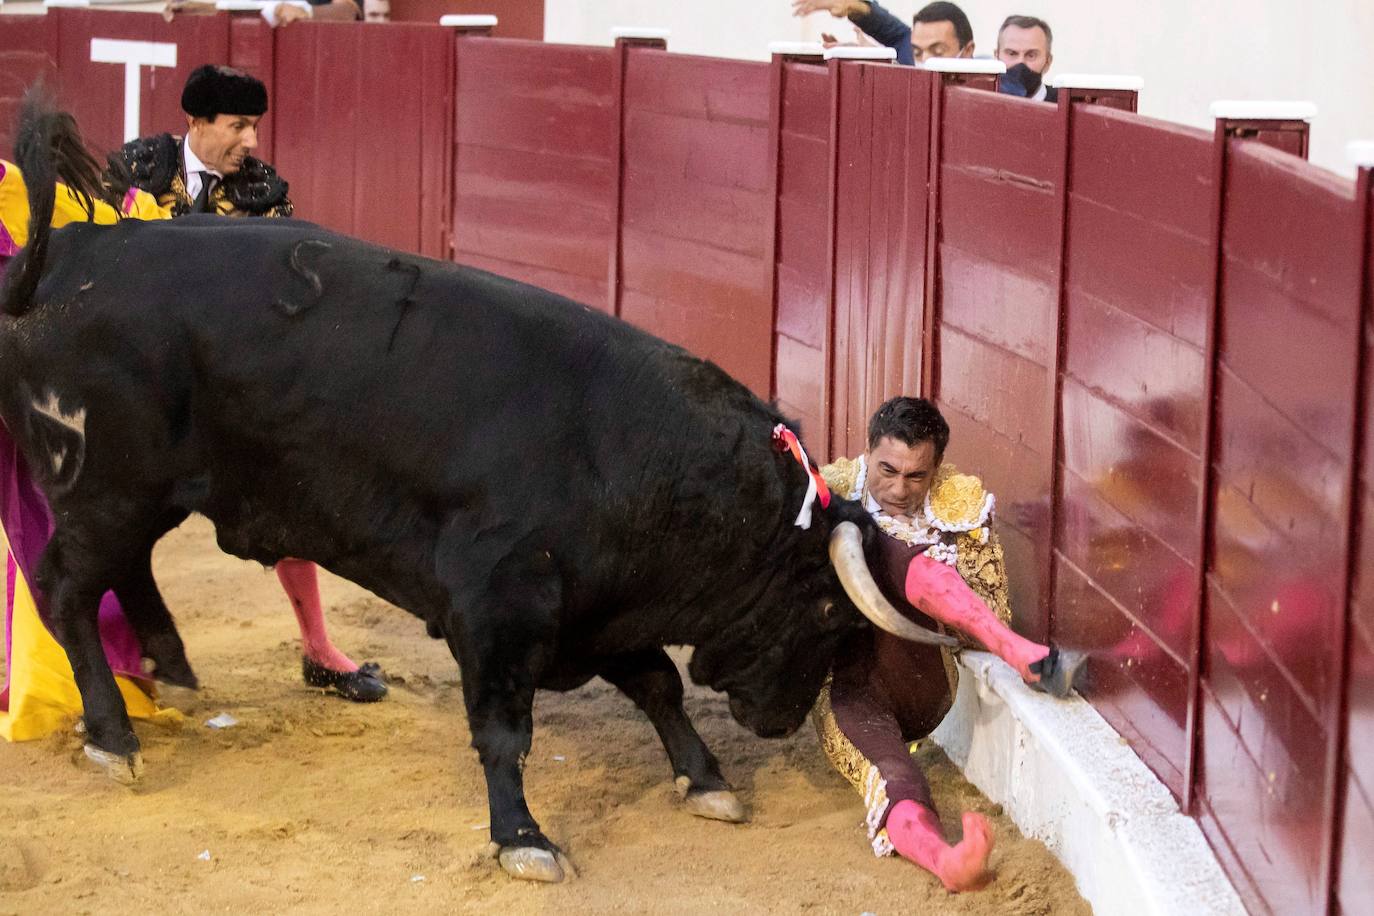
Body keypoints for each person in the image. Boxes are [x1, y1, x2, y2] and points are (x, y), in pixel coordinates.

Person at [101, 64, 385, 704]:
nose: (251, 142)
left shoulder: (265, 193)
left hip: (219, 381)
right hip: (131, 377)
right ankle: (102, 657)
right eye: (238, 126)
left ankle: (319, 650)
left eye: (255, 126)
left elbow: (273, 293)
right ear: (196, 124)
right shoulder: (136, 170)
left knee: (289, 500)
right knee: (97, 513)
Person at [812, 396, 1085, 891]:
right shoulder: (828, 489)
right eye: (887, 470)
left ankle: (1016, 652)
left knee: (877, 542)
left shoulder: (958, 502)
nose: (899, 488)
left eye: (916, 477)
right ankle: (947, 861)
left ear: (936, 469)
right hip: (848, 686)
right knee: (892, 775)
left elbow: (989, 606)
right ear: (866, 453)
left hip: (922, 676)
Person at [790, 1, 975, 67]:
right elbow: (895, 33)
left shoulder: (997, 86)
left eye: (938, 51)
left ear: (967, 51)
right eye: (917, 52)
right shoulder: (909, 56)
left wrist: (883, 61)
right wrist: (855, 6)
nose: (925, 60)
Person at [995, 15, 1056, 103]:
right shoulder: (980, 102)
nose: (1020, 62)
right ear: (996, 56)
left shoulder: (1065, 106)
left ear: (1048, 62)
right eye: (1012, 53)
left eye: (1031, 55)